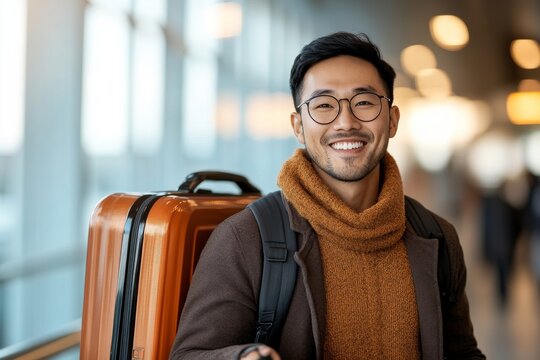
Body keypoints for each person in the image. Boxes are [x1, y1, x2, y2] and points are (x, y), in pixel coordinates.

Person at [169, 32, 485, 360]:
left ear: (392, 120)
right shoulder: (247, 238)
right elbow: (191, 355)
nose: (346, 122)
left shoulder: (436, 236)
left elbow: (461, 351)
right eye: (323, 105)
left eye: (364, 102)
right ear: (298, 126)